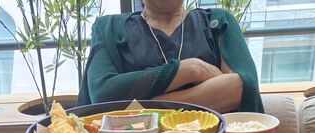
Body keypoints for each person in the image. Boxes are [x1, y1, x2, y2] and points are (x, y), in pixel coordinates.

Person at [77, 0, 263, 113]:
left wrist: (145, 108)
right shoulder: (108, 28)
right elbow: (103, 95)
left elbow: (241, 87)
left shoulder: (217, 22)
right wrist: (190, 70)